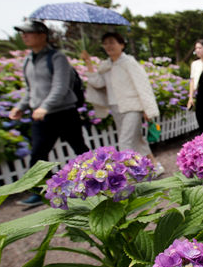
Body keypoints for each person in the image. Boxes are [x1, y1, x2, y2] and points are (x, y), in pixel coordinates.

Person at [9, 20, 89, 206]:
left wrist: (45, 106)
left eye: (28, 33)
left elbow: (60, 87)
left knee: (80, 149)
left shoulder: (56, 58)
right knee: (38, 155)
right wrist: (21, 106)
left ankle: (93, 181)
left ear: (42, 35)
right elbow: (31, 89)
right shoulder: (28, 60)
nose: (24, 36)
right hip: (41, 116)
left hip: (63, 113)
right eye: (23, 33)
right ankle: (40, 192)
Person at [81, 32, 164, 175]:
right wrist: (88, 62)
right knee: (137, 140)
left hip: (133, 107)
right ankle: (155, 165)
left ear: (122, 44)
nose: (108, 46)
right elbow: (98, 83)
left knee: (125, 142)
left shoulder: (129, 62)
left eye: (112, 42)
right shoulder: (106, 66)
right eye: (105, 43)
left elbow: (142, 85)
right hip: (116, 107)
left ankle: (127, 174)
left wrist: (147, 109)